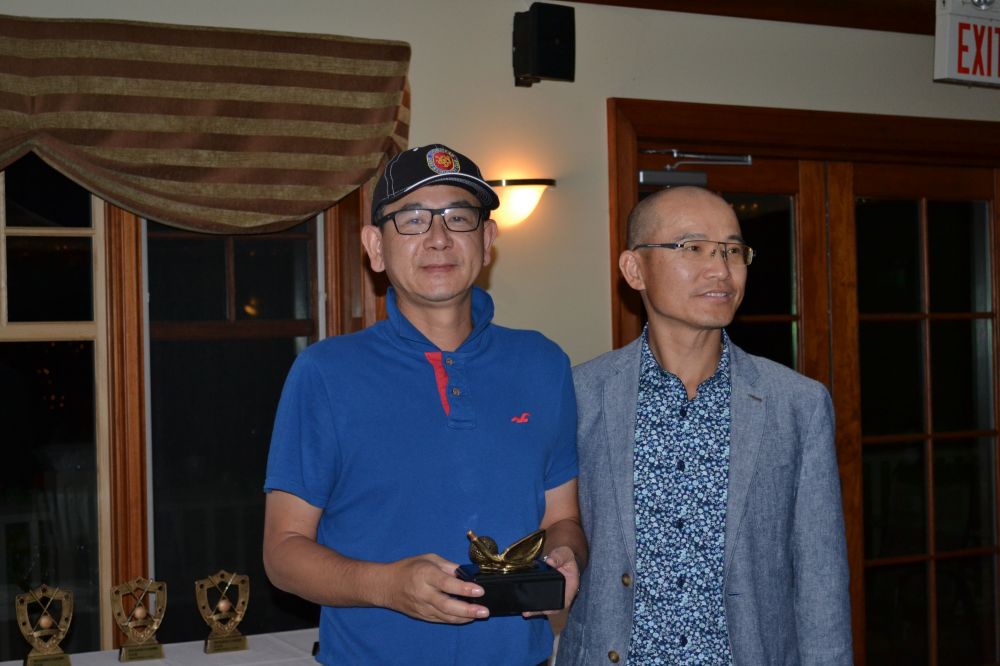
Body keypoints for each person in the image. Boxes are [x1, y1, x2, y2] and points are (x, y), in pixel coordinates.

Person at [262, 144, 587, 666]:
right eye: (412, 220)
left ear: (487, 241)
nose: (438, 237)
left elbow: (563, 517)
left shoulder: (543, 363)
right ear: (375, 247)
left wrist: (567, 556)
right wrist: (387, 585)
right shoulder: (325, 373)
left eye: (459, 217)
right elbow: (282, 553)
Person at [557, 186, 852, 665]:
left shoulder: (797, 404)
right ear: (634, 269)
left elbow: (822, 580)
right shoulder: (579, 396)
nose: (721, 270)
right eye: (692, 248)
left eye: (733, 251)